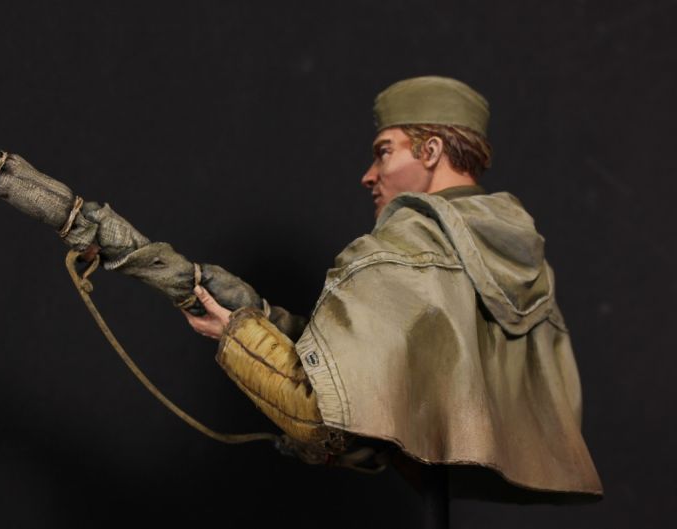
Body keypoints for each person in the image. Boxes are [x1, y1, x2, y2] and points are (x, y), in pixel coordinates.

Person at [182, 76, 603, 502]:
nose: (369, 176)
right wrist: (268, 318)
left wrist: (237, 331)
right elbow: (380, 364)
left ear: (431, 152)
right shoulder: (524, 260)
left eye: (384, 152)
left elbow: (316, 414)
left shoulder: (394, 252)